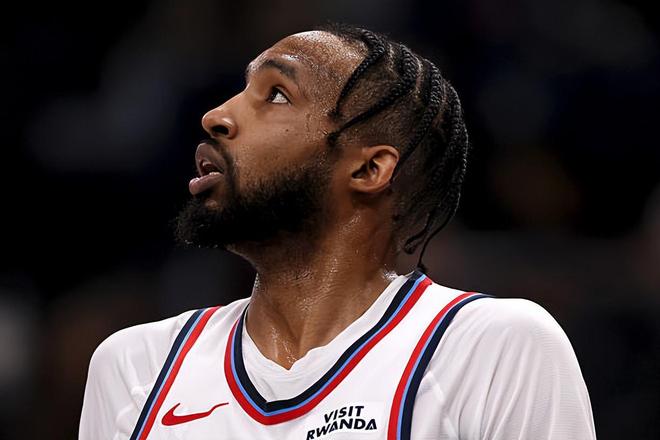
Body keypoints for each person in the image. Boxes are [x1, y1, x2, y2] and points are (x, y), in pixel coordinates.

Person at [79, 24, 596, 439]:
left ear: (369, 169)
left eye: (276, 95)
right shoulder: (136, 368)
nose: (217, 116)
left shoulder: (490, 348)